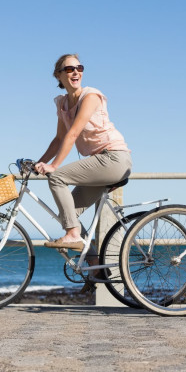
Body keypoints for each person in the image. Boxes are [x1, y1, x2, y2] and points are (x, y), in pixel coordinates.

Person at [35, 54, 132, 254]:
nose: (76, 72)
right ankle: (95, 267)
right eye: (69, 69)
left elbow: (73, 133)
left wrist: (53, 167)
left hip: (114, 158)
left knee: (57, 177)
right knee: (67, 214)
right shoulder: (62, 104)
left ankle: (72, 235)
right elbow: (59, 138)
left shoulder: (90, 96)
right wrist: (39, 163)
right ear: (58, 76)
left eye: (79, 68)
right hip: (99, 162)